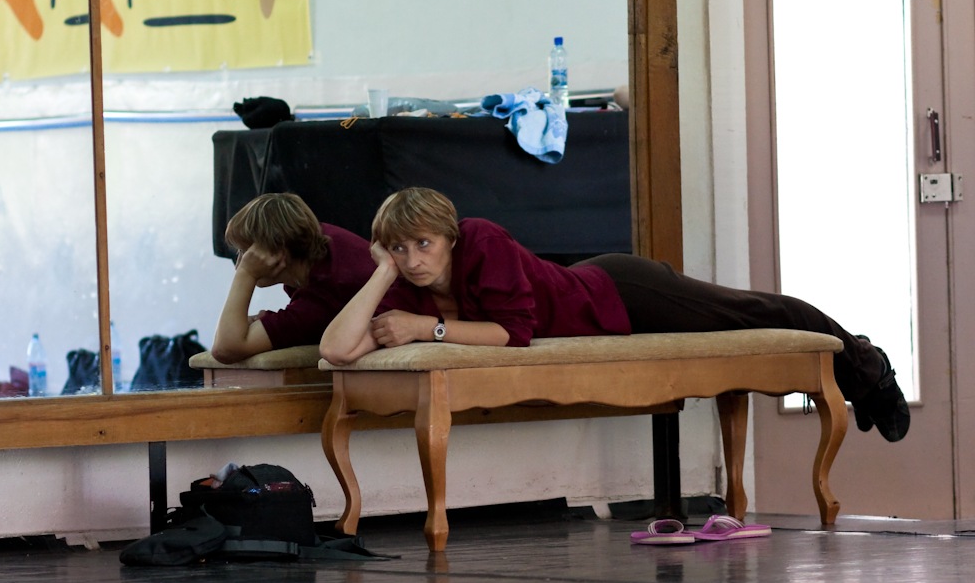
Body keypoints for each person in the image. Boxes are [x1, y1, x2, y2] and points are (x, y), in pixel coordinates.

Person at [319, 187, 911, 442]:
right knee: (751, 314)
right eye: (398, 249)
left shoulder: (481, 240)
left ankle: (866, 364)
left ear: (449, 238)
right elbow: (337, 350)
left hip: (620, 292)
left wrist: (426, 329)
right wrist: (382, 273)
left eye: (423, 245)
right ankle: (862, 371)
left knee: (753, 313)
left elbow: (513, 335)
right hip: (599, 302)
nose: (413, 259)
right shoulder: (402, 283)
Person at [211, 193, 376, 364]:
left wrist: (246, 274)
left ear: (276, 250)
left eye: (245, 252)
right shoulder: (322, 242)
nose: (239, 264)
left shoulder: (323, 295)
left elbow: (225, 348)